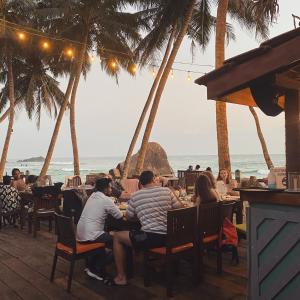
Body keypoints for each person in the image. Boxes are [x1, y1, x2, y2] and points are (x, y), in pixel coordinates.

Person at [111, 170, 183, 286]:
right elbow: (180, 207)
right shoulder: (167, 191)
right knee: (139, 233)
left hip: (150, 239)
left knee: (117, 236)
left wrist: (141, 214)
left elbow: (129, 217)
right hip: (171, 237)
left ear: (140, 183)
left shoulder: (136, 196)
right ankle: (159, 264)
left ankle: (121, 277)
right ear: (154, 179)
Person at [77, 178, 123, 280]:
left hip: (80, 233)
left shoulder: (92, 196)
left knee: (110, 235)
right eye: (110, 187)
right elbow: (119, 216)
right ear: (106, 189)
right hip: (91, 235)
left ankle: (92, 264)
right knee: (119, 242)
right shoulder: (106, 200)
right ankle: (95, 267)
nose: (111, 189)